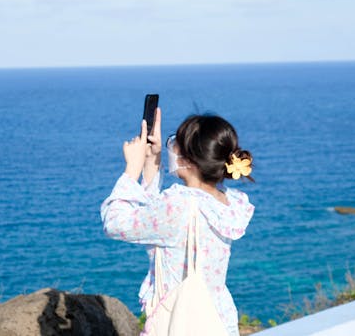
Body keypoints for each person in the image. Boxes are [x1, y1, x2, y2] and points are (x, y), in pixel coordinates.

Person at [100, 108, 255, 335]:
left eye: (175, 142)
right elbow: (157, 223)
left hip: (178, 323)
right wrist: (152, 163)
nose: (170, 145)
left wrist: (131, 171)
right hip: (217, 321)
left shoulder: (179, 206)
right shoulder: (228, 201)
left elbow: (115, 223)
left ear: (189, 160)